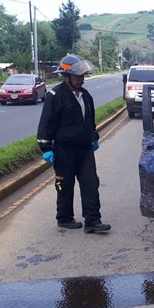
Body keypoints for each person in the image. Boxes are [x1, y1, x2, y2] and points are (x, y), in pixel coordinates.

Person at [37, 53, 111, 233]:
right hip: (64, 150)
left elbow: (90, 121)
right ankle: (64, 217)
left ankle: (93, 221)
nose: (81, 80)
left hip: (85, 150)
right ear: (66, 76)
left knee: (91, 183)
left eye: (83, 76)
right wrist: (46, 148)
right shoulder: (55, 96)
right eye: (78, 76)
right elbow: (46, 124)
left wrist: (93, 137)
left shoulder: (86, 96)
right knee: (64, 185)